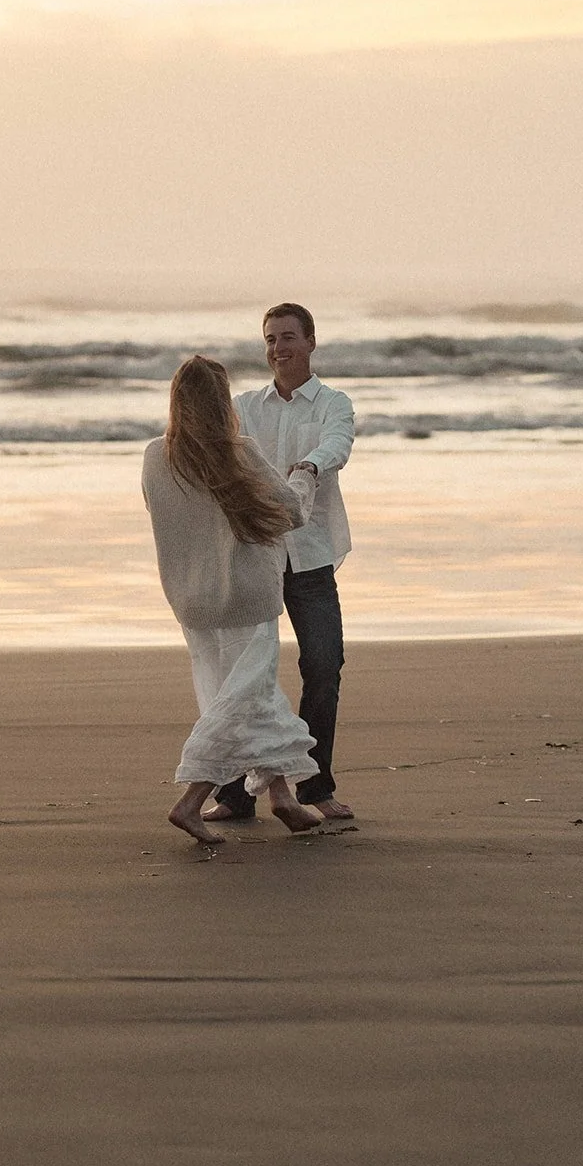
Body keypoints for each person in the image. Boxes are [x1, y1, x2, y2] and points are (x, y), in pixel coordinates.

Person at [142, 355, 324, 847]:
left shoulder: (156, 455)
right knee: (243, 695)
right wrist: (305, 473)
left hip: (191, 599)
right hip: (246, 595)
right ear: (222, 403)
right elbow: (289, 511)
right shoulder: (238, 451)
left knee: (242, 694)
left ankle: (283, 797)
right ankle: (189, 800)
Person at [204, 302, 355, 824]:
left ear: (310, 342)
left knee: (322, 665)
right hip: (257, 555)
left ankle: (314, 787)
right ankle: (235, 795)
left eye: (288, 337)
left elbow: (338, 444)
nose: (278, 348)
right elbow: (219, 452)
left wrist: (312, 464)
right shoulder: (246, 406)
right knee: (247, 674)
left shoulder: (333, 404)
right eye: (270, 339)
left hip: (311, 559)